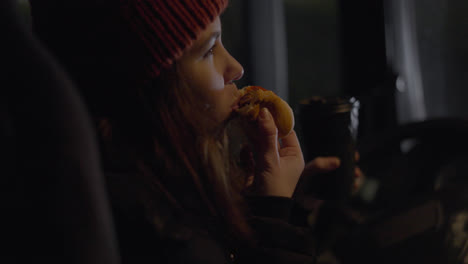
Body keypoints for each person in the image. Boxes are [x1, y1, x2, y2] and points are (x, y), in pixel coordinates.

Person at [30, 0, 363, 263]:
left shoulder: (171, 187)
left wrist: (288, 207)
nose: (236, 68)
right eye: (208, 51)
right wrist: (273, 211)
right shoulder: (155, 231)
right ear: (153, 89)